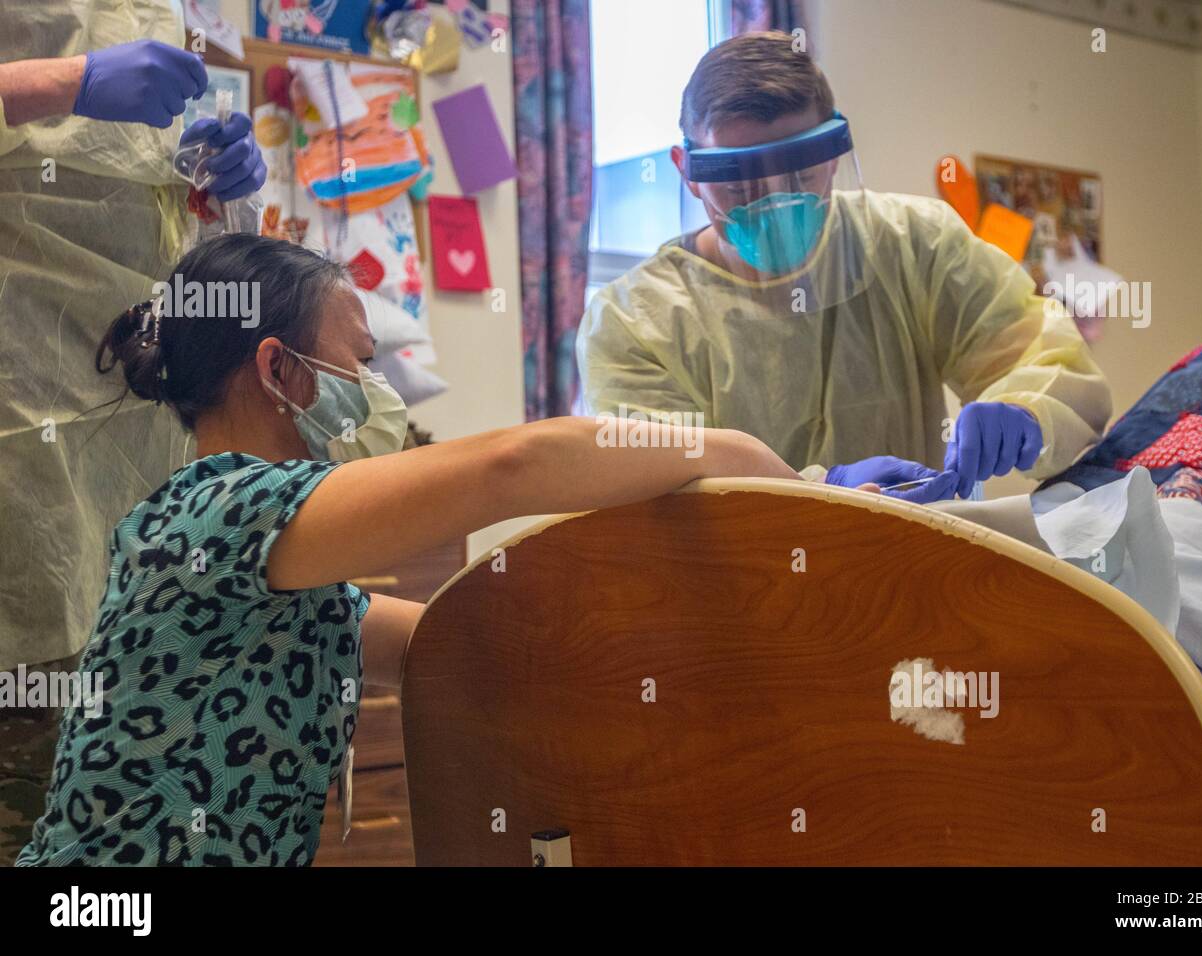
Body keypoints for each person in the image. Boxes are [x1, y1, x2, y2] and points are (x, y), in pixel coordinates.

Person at [16, 234, 798, 866]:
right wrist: (740, 454)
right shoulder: (220, 512)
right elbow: (512, 466)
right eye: (360, 363)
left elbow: (456, 644)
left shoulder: (280, 577)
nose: (376, 387)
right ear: (277, 368)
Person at [577, 31, 1112, 503]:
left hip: (914, 568)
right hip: (736, 594)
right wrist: (814, 489)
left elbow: (1046, 358)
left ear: (832, 153)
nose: (776, 202)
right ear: (687, 172)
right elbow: (657, 487)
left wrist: (1025, 411)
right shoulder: (633, 323)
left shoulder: (913, 244)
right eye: (740, 182)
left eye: (799, 174)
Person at [0, 0, 265, 865]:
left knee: (124, 788)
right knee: (26, 757)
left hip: (137, 400)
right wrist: (59, 83)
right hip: (18, 376)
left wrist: (219, 181)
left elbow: (146, 175)